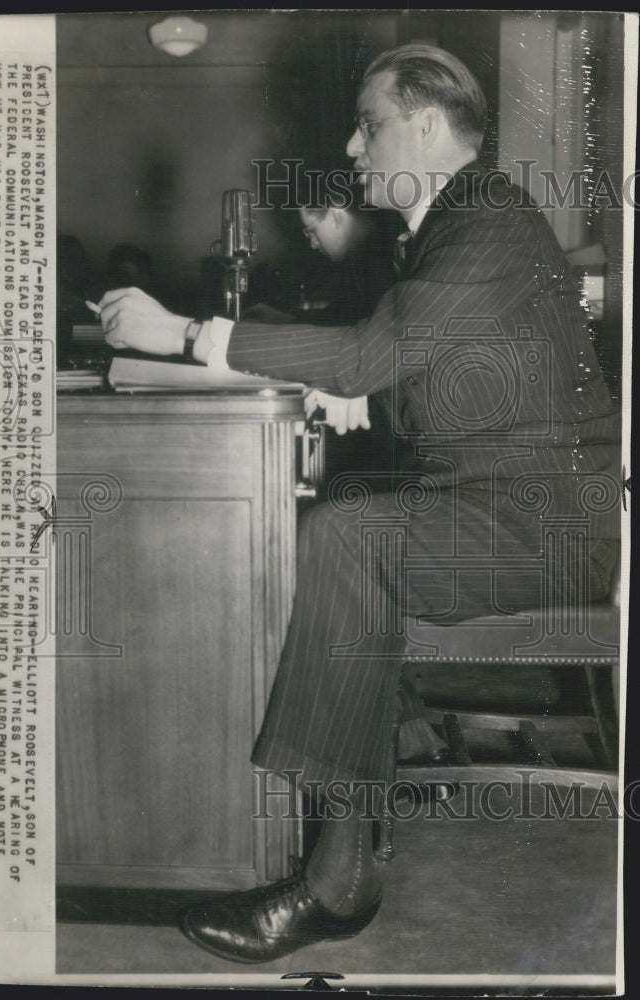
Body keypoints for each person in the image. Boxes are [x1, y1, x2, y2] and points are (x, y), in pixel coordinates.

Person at [98, 44, 621, 962]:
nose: (350, 145)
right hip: (520, 506)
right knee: (346, 529)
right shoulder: (461, 219)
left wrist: (184, 333)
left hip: (555, 527)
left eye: (368, 123)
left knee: (349, 537)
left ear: (423, 126)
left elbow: (362, 354)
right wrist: (365, 388)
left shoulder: (487, 217)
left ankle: (337, 883)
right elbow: (416, 361)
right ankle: (358, 805)